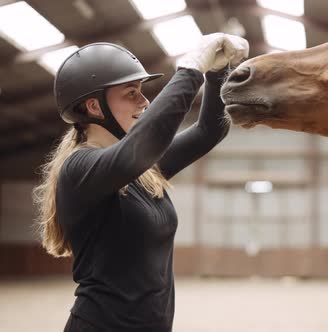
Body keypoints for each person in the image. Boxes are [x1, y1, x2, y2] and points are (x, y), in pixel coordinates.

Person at [32, 33, 249, 332]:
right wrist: (189, 71)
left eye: (141, 91)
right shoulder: (79, 168)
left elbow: (208, 130)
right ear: (95, 107)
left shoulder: (141, 170)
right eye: (131, 93)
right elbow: (142, 145)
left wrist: (215, 72)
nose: (144, 101)